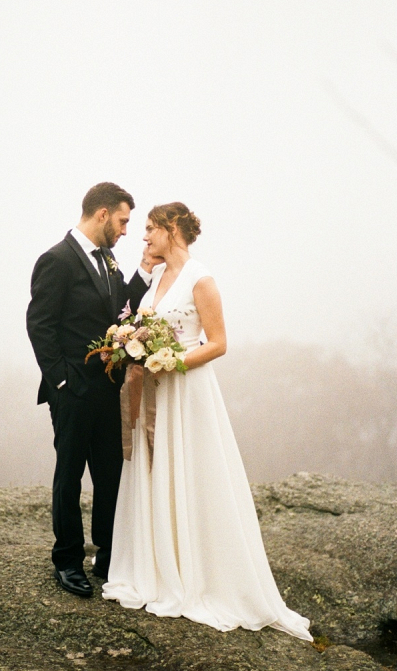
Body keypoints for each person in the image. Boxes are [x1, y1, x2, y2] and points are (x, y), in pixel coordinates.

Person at [102, 202, 313, 639]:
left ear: (172, 229)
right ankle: (156, 570)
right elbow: (143, 322)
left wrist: (170, 360)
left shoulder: (202, 279)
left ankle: (199, 575)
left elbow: (217, 344)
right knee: (153, 470)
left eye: (150, 230)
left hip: (185, 390)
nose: (144, 238)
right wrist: (129, 345)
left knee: (190, 473)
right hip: (152, 392)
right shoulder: (158, 276)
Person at [26, 182, 152, 598]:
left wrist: (145, 273)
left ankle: (108, 556)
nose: (125, 230)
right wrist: (61, 381)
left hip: (108, 389)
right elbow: (39, 324)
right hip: (72, 391)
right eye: (122, 220)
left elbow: (119, 311)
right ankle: (66, 560)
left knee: (110, 475)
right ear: (101, 214)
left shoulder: (110, 260)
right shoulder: (56, 260)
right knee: (69, 477)